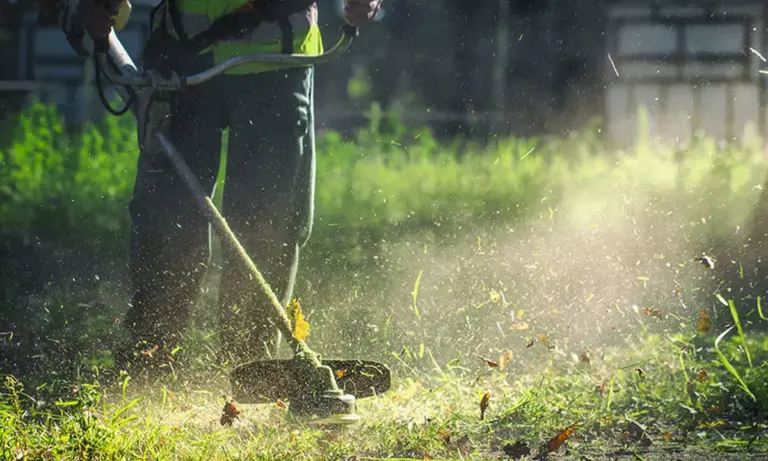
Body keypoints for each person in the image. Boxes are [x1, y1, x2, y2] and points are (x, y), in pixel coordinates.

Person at [72, 0, 383, 377]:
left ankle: (250, 368)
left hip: (276, 61)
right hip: (183, 60)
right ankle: (150, 363)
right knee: (168, 223)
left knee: (267, 225)